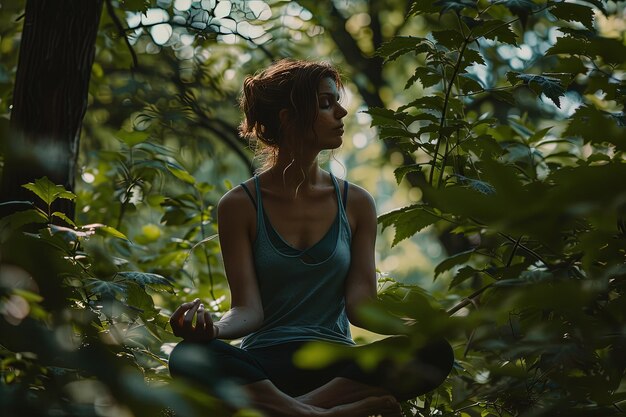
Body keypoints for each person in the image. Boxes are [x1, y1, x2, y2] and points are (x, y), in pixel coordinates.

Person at [168, 59, 454, 417]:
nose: (342, 111)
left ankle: (295, 411)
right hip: (265, 367)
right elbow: (248, 310)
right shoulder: (239, 205)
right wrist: (212, 330)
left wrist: (421, 327)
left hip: (337, 367)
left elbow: (362, 306)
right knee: (188, 355)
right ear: (288, 118)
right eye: (325, 103)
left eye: (337, 101)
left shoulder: (357, 203)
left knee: (434, 350)